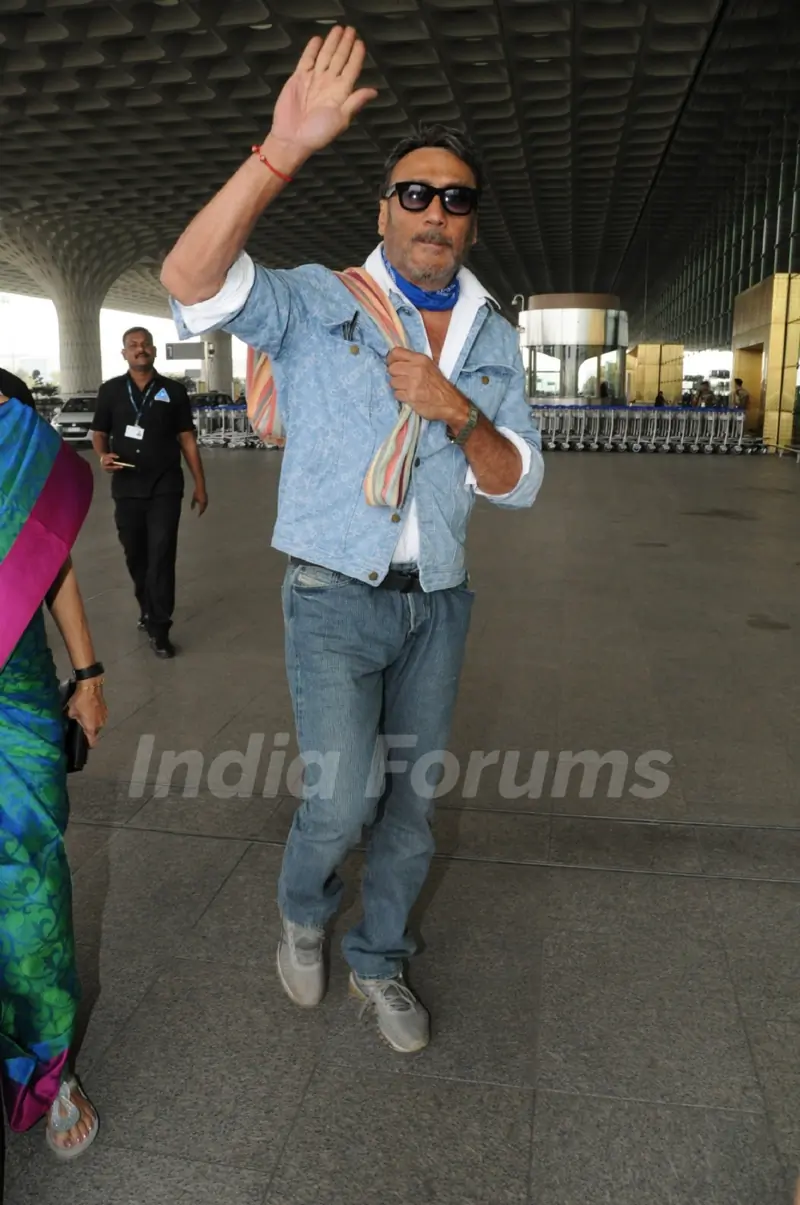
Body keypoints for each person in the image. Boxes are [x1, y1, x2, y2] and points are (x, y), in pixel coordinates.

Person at [160, 25, 544, 1054]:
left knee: (410, 810)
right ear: (384, 209)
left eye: (454, 198)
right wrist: (280, 148)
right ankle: (301, 903)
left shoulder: (493, 341)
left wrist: (459, 410)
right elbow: (191, 284)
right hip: (332, 594)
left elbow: (518, 482)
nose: (433, 211)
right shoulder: (317, 301)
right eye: (414, 193)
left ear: (469, 225)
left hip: (439, 601)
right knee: (340, 798)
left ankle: (380, 959)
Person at [0, 372, 107, 1158]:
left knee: (29, 880)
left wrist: (90, 673)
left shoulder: (10, 423)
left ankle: (48, 1064)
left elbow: (52, 557)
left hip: (15, 698)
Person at [90, 327, 209, 659]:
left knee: (161, 554)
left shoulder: (173, 391)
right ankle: (146, 606)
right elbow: (99, 433)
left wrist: (200, 483)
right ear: (124, 353)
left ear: (154, 351)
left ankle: (160, 627)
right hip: (127, 488)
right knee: (135, 555)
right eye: (133, 345)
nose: (140, 349)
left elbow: (187, 439)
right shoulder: (111, 391)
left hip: (165, 487)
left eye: (145, 345)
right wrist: (103, 455)